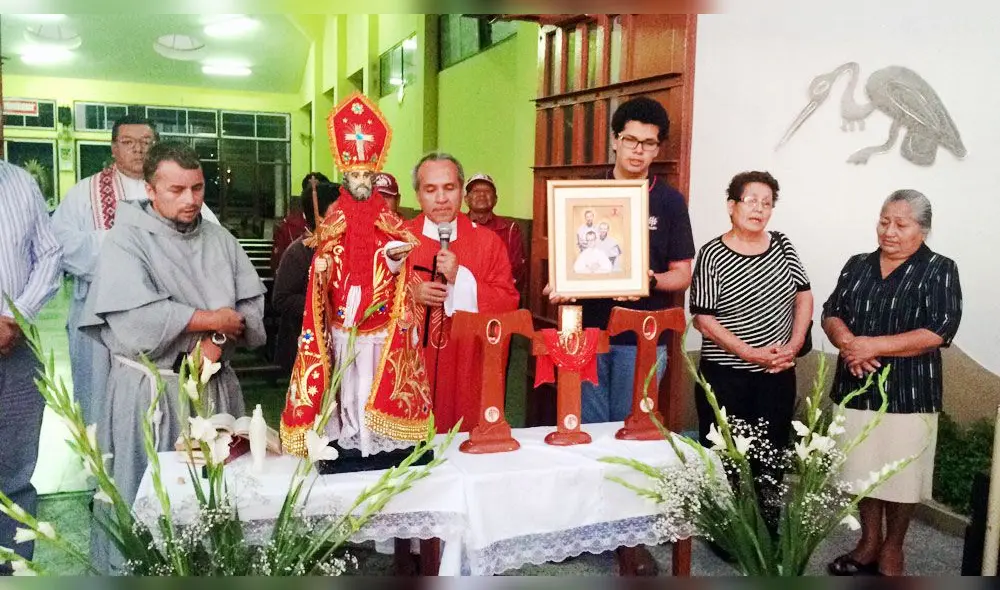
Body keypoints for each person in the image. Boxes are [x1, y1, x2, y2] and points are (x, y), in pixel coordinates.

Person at [79, 142, 265, 572]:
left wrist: (217, 336)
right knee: (143, 498)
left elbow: (249, 311)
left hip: (212, 387)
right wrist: (210, 318)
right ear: (150, 188)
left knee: (215, 501)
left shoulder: (219, 238)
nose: (190, 200)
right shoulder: (125, 240)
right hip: (149, 392)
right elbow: (133, 320)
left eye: (197, 188)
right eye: (177, 189)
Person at [279, 93, 431, 458]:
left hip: (379, 322)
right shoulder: (334, 220)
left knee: (370, 386)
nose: (362, 180)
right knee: (345, 388)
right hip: (344, 322)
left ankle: (374, 443)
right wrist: (323, 266)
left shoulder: (389, 220)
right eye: (356, 174)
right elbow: (328, 254)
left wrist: (394, 261)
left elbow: (402, 260)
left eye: (367, 174)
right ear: (346, 177)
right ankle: (349, 437)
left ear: (374, 175)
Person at [823, 189, 962, 577]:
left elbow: (939, 328)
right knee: (862, 469)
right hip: (856, 384)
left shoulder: (939, 269)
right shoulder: (857, 264)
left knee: (901, 475)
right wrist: (850, 344)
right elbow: (832, 312)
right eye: (884, 221)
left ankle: (893, 547)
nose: (889, 231)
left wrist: (874, 345)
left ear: (923, 230)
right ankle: (868, 542)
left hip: (910, 391)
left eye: (901, 224)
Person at [51, 115, 218, 425]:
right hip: (101, 314)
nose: (138, 150)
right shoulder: (84, 193)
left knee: (166, 401)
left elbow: (212, 242)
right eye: (129, 143)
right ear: (114, 149)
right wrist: (129, 251)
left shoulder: (179, 189)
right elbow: (62, 247)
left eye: (146, 142)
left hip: (169, 313)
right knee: (100, 397)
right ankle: (106, 466)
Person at [549, 96, 695, 426]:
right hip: (588, 332)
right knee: (586, 426)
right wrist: (561, 281)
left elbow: (682, 274)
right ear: (616, 140)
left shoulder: (669, 201)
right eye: (630, 139)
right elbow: (568, 259)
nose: (638, 150)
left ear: (658, 148)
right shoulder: (584, 193)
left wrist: (650, 280)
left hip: (643, 336)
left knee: (633, 429)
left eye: (648, 143)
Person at [689, 170, 813, 532]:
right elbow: (704, 319)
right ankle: (726, 529)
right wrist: (749, 353)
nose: (759, 209)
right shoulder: (712, 253)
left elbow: (803, 295)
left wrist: (793, 345)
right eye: (750, 200)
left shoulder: (783, 245)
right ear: (732, 205)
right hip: (726, 376)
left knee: (771, 452)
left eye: (767, 202)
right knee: (727, 453)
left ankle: (769, 526)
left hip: (776, 374)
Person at [407, 152, 520, 433]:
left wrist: (462, 280)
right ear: (418, 196)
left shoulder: (488, 243)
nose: (441, 198)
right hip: (411, 366)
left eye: (449, 188)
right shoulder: (399, 240)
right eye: (430, 190)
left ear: (461, 192)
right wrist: (411, 294)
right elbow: (373, 300)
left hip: (466, 365)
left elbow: (508, 302)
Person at [0, 161, 62, 573]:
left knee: (15, 476)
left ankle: (14, 575)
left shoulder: (19, 183)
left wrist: (15, 316)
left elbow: (50, 254)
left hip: (14, 349)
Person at [271, 181, 340, 374]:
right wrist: (321, 302)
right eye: (338, 211)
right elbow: (281, 299)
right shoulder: (298, 252)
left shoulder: (340, 248)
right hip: (303, 341)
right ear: (319, 216)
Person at [464, 172, 528, 294]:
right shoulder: (456, 227)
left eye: (487, 191)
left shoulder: (510, 229)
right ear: (466, 199)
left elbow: (516, 270)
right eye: (476, 191)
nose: (482, 195)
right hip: (463, 298)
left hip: (497, 296)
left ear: (495, 199)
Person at [270, 171, 330, 273]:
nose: (315, 200)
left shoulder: (336, 224)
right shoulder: (287, 227)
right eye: (311, 195)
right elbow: (278, 266)